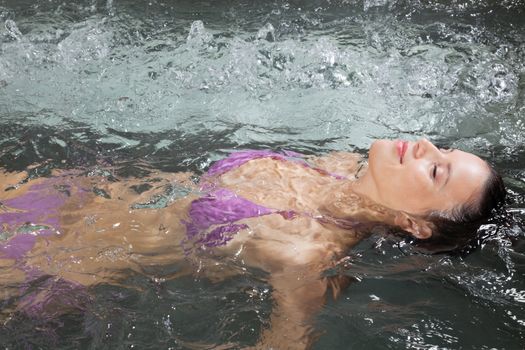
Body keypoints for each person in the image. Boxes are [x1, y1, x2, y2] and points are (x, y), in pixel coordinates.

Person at [0, 138, 505, 349]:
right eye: (443, 148)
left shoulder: (308, 254)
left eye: (436, 169)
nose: (423, 146)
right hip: (67, 191)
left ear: (417, 226)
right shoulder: (337, 161)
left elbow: (288, 339)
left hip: (45, 258)